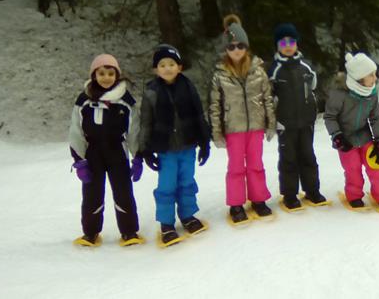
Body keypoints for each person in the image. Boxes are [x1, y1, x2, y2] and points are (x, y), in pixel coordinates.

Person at [139, 44, 210, 246]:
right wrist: (145, 150)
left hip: (188, 146)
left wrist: (204, 142)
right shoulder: (152, 92)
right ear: (156, 69)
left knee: (187, 182)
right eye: (162, 65)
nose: (167, 68)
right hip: (166, 149)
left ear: (179, 67)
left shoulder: (188, 87)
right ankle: (167, 224)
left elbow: (199, 115)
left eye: (171, 64)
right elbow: (145, 121)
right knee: (167, 186)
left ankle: (188, 216)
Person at [69, 54, 143, 246]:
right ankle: (91, 233)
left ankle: (129, 231)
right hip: (93, 154)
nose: (106, 77)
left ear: (117, 76)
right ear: (94, 75)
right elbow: (75, 130)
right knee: (92, 194)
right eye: (101, 73)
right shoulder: (84, 99)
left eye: (111, 73)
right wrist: (79, 160)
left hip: (117, 151)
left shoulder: (125, 100)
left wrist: (137, 158)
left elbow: (134, 130)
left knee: (123, 192)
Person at [208, 15, 276, 224]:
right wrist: (217, 131)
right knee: (236, 167)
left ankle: (258, 199)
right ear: (226, 50)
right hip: (233, 129)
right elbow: (214, 105)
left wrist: (270, 123)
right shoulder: (220, 75)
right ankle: (236, 204)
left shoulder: (258, 71)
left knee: (256, 164)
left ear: (246, 47)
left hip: (255, 127)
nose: (236, 50)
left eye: (240, 45)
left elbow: (267, 98)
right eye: (231, 46)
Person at [324, 52, 379, 212]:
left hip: (364, 136)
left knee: (375, 164)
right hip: (345, 139)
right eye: (371, 75)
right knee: (353, 168)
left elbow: (376, 118)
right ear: (359, 77)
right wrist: (337, 136)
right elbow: (330, 117)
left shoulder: (371, 92)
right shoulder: (340, 94)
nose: (375, 78)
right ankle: (354, 195)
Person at [268, 23, 327, 210]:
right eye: (283, 42)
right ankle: (290, 194)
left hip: (306, 121)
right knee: (288, 159)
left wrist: (312, 110)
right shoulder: (274, 70)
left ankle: (312, 191)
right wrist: (273, 120)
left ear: (297, 44)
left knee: (308, 156)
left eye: (291, 41)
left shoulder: (305, 66)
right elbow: (268, 96)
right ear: (277, 45)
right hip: (285, 124)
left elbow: (314, 86)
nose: (288, 45)